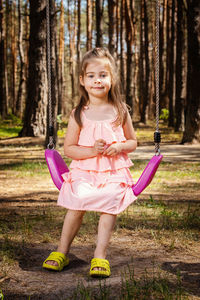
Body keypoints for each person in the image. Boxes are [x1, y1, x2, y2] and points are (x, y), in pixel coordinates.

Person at [43, 47, 137, 278]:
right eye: (92, 76)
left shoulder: (120, 110)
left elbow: (133, 142)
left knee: (110, 205)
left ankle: (100, 255)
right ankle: (61, 252)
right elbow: (69, 149)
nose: (98, 80)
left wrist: (119, 146)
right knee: (77, 203)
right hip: (85, 171)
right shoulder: (78, 114)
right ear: (83, 81)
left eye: (103, 75)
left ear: (111, 79)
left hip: (113, 172)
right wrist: (92, 151)